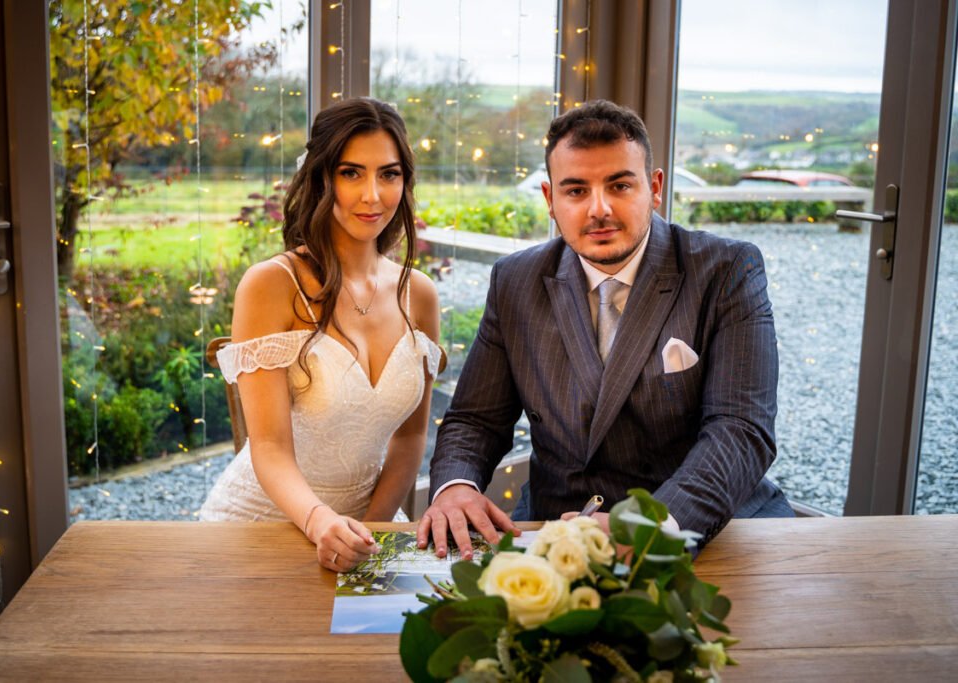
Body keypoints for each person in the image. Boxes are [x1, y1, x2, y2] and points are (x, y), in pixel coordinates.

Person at [418, 100, 791, 560]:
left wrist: (651, 524)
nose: (599, 209)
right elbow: (476, 419)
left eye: (619, 185)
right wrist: (455, 486)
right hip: (559, 536)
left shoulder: (728, 269)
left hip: (704, 533)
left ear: (654, 188)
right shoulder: (515, 280)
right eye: (575, 191)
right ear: (549, 200)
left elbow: (741, 429)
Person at [200, 98, 441, 573]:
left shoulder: (421, 295)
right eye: (352, 173)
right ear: (322, 178)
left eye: (388, 174)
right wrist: (320, 523)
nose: (373, 195)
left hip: (364, 533)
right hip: (263, 526)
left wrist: (370, 534)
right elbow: (267, 446)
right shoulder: (271, 285)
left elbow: (411, 439)